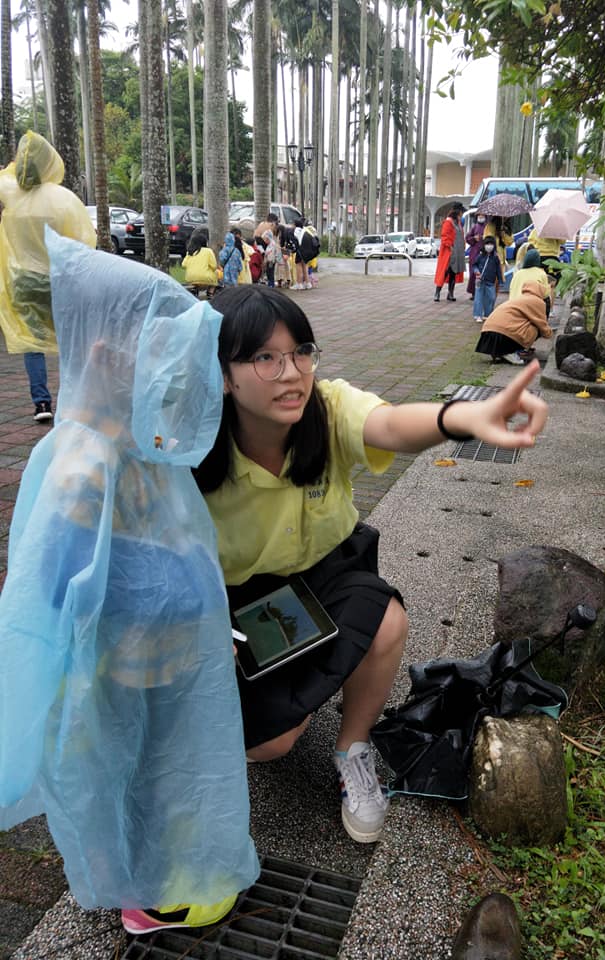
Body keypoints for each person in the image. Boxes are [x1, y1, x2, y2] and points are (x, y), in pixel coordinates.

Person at [193, 285, 547, 844]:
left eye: (301, 351)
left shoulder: (327, 408)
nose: (292, 373)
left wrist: (464, 416)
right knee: (273, 743)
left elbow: (387, 425)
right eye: (265, 357)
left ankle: (352, 748)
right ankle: (290, 707)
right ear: (221, 370)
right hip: (235, 600)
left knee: (386, 621)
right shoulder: (194, 448)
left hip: (323, 572)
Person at [0, 231, 259, 933]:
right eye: (160, 361)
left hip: (163, 656)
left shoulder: (130, 440)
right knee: (125, 768)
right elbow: (55, 585)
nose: (173, 381)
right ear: (105, 356)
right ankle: (139, 891)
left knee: (163, 763)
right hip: (117, 666)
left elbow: (167, 539)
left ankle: (161, 862)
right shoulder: (83, 464)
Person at [0, 131, 96, 422]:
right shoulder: (63, 199)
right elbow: (83, 242)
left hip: (22, 281)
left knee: (32, 342)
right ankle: (72, 402)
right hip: (58, 280)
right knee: (69, 341)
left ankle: (42, 404)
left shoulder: (9, 191)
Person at [475, 279, 552, 365]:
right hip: (503, 334)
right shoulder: (537, 301)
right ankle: (509, 351)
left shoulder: (520, 298)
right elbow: (541, 323)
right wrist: (549, 335)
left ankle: (500, 351)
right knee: (535, 328)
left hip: (488, 332)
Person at [433, 202, 466, 302]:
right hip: (450, 252)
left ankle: (450, 294)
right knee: (445, 272)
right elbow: (445, 236)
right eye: (461, 212)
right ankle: (437, 293)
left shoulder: (459, 223)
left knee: (453, 273)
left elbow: (461, 236)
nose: (462, 214)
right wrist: (449, 246)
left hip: (458, 252)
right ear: (457, 212)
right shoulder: (448, 222)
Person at [508, 248, 552, 317]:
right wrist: (550, 286)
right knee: (547, 299)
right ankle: (543, 322)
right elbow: (545, 294)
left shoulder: (518, 273)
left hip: (512, 305)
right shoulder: (541, 273)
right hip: (529, 307)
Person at [472, 234, 504, 324]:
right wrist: (476, 271)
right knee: (478, 298)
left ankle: (487, 314)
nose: (489, 246)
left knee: (491, 297)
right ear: (484, 245)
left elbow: (498, 270)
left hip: (491, 281)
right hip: (480, 280)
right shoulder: (480, 256)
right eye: (487, 244)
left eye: (491, 244)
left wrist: (501, 281)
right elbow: (474, 265)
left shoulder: (495, 258)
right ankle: (478, 315)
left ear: (494, 246)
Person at [465, 215, 487, 299]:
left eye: (482, 216)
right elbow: (467, 238)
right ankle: (474, 293)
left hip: (484, 252)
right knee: (474, 273)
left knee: (484, 272)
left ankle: (483, 292)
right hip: (474, 253)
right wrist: (474, 238)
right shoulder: (474, 227)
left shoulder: (487, 227)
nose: (481, 217)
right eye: (479, 216)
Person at [292, 218, 310, 290]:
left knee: (298, 266)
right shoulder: (304, 230)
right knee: (305, 266)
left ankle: (299, 284)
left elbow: (295, 242)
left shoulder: (296, 231)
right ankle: (307, 283)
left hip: (300, 250)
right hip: (306, 250)